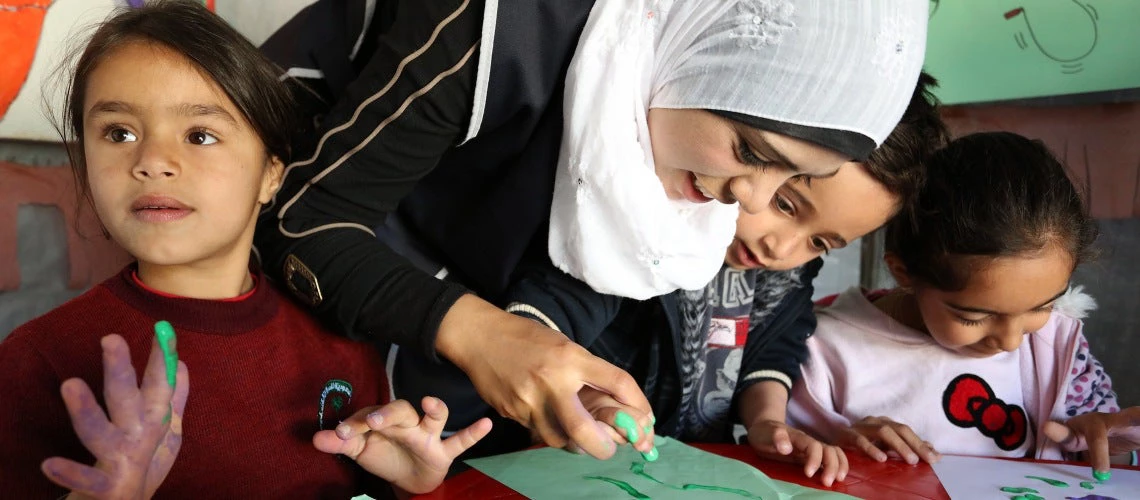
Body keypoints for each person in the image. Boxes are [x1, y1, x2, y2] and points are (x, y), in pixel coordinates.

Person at [256, 0, 928, 459]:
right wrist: (485, 334)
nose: (745, 199)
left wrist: (566, 386)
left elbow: (569, 280)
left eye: (790, 183)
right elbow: (301, 220)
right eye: (751, 152)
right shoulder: (503, 27)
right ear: (697, 45)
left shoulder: (686, 148)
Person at [0, 2, 489, 498]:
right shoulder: (39, 361)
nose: (151, 162)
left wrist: (413, 487)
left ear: (271, 174)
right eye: (118, 133)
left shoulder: (339, 338)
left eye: (199, 135)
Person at [554, 72, 948, 487]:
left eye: (818, 242)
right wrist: (588, 400)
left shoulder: (787, 275)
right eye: (784, 204)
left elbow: (773, 347)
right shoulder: (646, 231)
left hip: (690, 475)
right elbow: (563, 335)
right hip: (581, 464)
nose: (783, 249)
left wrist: (768, 423)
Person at [787, 132, 1140, 481]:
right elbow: (778, 464)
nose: (1011, 341)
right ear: (904, 272)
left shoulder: (1058, 347)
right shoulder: (820, 347)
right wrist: (840, 444)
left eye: (1042, 306)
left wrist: (1108, 445)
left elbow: (1103, 454)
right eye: (975, 316)